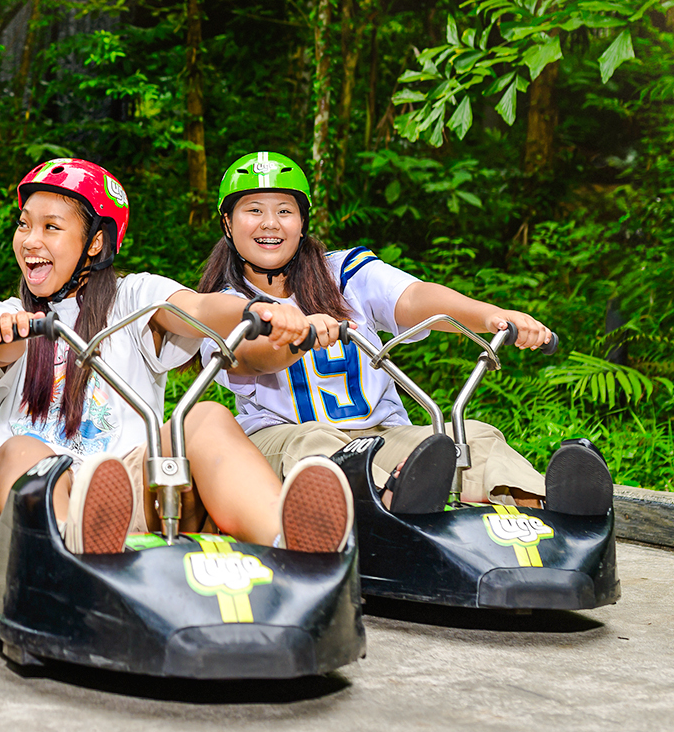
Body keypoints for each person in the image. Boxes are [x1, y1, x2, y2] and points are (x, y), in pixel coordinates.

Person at [0, 157, 355, 555]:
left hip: (116, 488)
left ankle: (290, 544)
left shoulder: (134, 297)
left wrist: (257, 311)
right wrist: (7, 332)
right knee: (27, 450)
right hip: (16, 481)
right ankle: (64, 547)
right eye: (24, 224)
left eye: (51, 227)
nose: (30, 240)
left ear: (95, 243)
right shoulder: (5, 313)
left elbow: (197, 309)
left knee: (206, 418)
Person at [196, 150, 612, 515]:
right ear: (229, 224)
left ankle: (550, 511)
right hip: (281, 442)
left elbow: (414, 299)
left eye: (285, 210)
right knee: (317, 444)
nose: (271, 223)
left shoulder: (341, 272)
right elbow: (252, 356)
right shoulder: (222, 302)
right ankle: (398, 507)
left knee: (474, 438)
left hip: (381, 434)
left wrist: (491, 316)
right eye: (254, 210)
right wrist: (296, 337)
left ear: (302, 222)